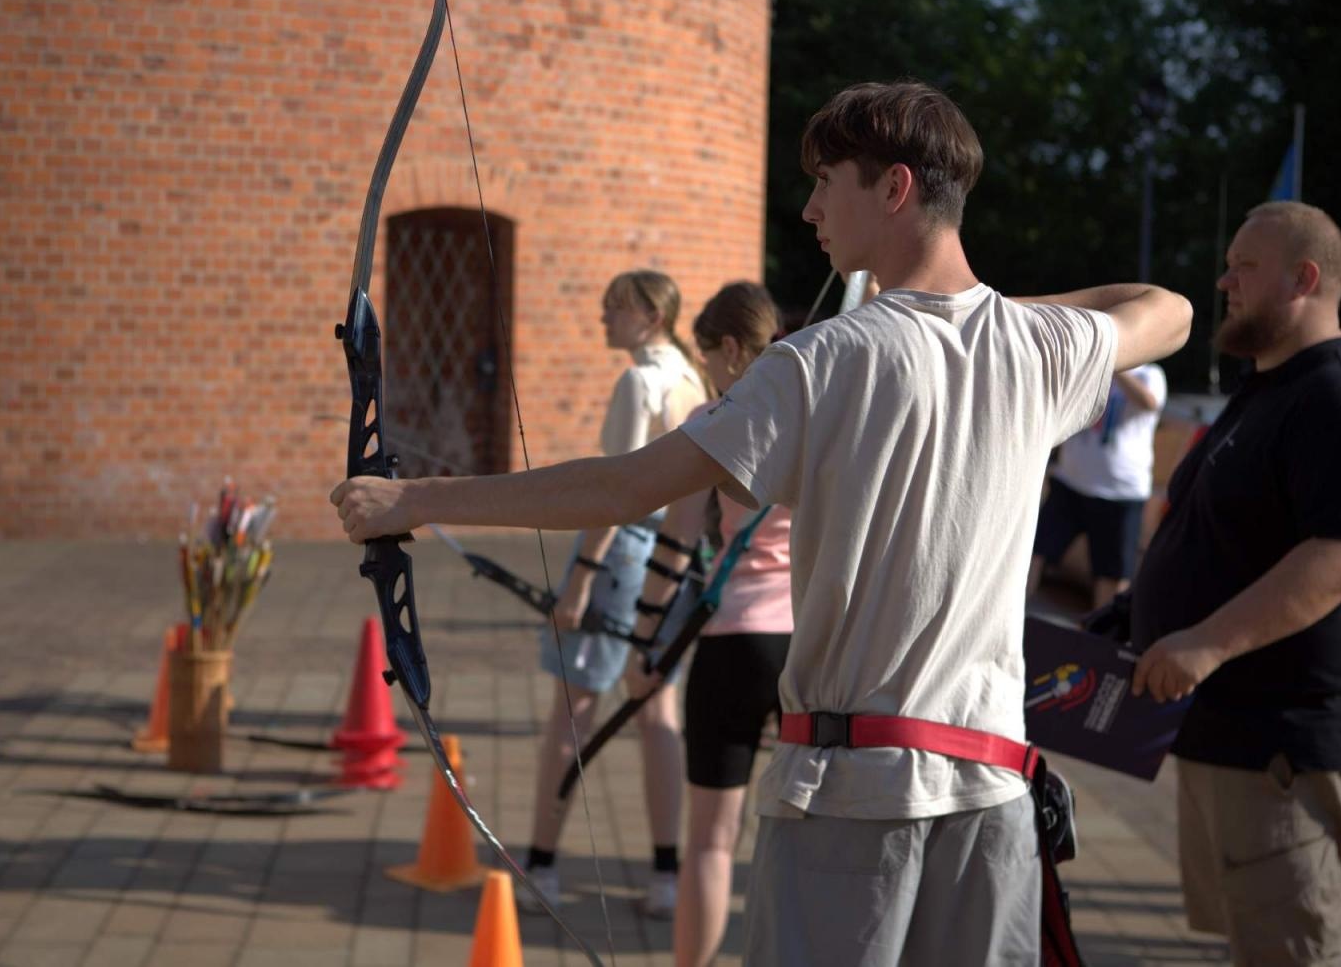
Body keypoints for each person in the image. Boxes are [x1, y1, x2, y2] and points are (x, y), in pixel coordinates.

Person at [333, 80, 1192, 963]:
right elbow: (1168, 308)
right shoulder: (1035, 347)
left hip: (854, 800)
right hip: (993, 797)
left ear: (895, 189)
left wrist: (415, 500)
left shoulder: (815, 360)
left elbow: (621, 488)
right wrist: (984, 321)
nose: (812, 207)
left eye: (828, 181)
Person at [1129, 201, 1341, 967]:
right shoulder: (1267, 386)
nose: (1223, 281)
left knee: (1298, 953)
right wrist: (1125, 617)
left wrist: (1205, 643)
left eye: (1244, 266)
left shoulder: (1340, 398)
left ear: (1304, 279)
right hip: (1229, 741)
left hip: (1286, 752)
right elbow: (1217, 536)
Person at [522, 269, 707, 917]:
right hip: (675, 561)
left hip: (623, 556)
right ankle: (665, 875)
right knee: (658, 711)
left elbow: (615, 492)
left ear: (651, 316)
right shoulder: (692, 377)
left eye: (616, 307)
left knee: (572, 712)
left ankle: (542, 866)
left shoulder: (642, 380)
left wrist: (577, 580)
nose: (604, 317)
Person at [634, 281, 794, 966]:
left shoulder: (713, 419)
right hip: (808, 648)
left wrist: (645, 643)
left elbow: (671, 546)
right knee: (800, 838)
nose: (705, 374)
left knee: (710, 840)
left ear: (731, 350)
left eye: (707, 360)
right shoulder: (819, 413)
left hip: (732, 641)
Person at [1027, 361, 1168, 609]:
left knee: (1111, 575)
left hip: (1119, 493)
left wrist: (1116, 364)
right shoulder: (1093, 365)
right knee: (1032, 552)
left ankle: (1099, 641)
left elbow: (1150, 403)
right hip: (1070, 482)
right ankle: (1008, 619)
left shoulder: (1150, 374)